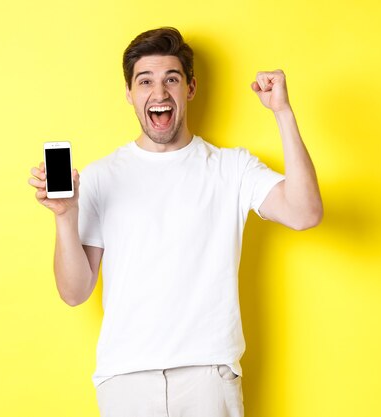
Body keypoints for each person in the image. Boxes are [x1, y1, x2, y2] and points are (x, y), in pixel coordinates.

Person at [28, 27, 322, 417]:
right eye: (145, 81)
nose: (160, 92)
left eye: (172, 79)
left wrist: (282, 112)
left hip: (208, 375)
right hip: (126, 380)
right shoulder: (100, 177)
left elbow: (305, 213)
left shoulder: (231, 167)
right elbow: (75, 292)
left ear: (191, 88)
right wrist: (66, 217)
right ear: (130, 94)